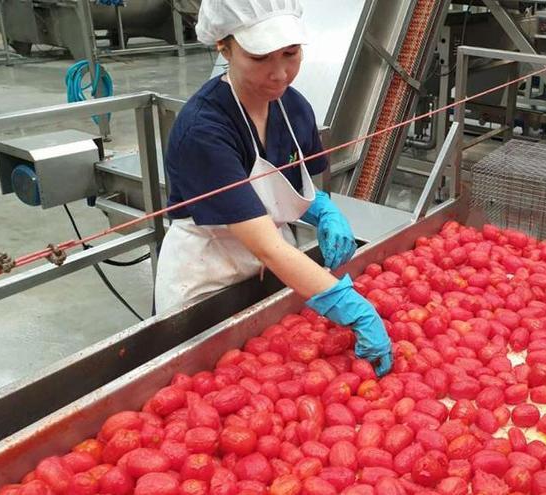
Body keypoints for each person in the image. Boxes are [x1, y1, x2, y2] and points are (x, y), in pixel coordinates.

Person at [154, 0, 392, 375]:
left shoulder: (293, 107)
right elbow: (265, 243)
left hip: (271, 271)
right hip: (206, 277)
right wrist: (352, 308)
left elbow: (286, 183)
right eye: (261, 56)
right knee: (201, 379)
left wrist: (322, 209)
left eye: (291, 53)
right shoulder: (203, 131)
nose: (280, 74)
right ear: (224, 46)